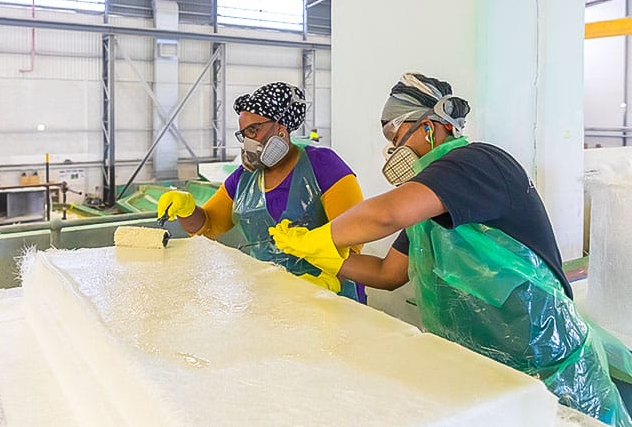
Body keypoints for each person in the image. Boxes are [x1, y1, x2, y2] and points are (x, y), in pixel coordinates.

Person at [270, 73, 632, 426]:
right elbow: (388, 274)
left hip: (549, 367)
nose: (394, 150)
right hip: (484, 371)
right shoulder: (428, 205)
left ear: (431, 126)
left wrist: (318, 238)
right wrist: (320, 258)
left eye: (396, 136)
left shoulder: (477, 161)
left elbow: (385, 214)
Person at [157, 82, 366, 301]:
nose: (248, 141)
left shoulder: (323, 165)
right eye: (244, 134)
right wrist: (187, 209)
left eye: (253, 130)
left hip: (330, 297)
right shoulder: (244, 178)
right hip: (271, 295)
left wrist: (328, 282)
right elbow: (207, 226)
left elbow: (354, 237)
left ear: (280, 127)